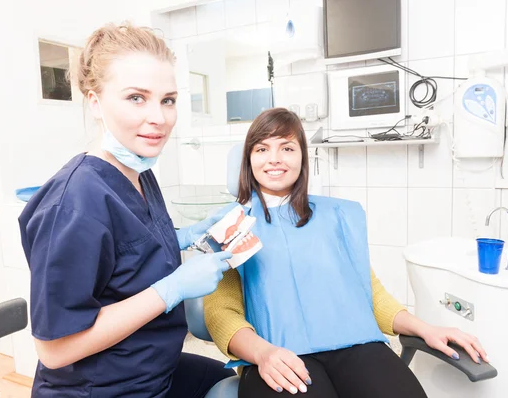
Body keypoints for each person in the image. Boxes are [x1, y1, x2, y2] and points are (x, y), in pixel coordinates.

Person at [203, 108, 490, 397]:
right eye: (262, 148)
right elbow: (221, 313)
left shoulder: (336, 216)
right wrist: (263, 353)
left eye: (287, 147)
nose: (275, 158)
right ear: (249, 159)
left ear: (302, 156)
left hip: (354, 345)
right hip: (276, 352)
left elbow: (370, 294)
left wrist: (425, 328)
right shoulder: (231, 225)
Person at [18, 22, 236, 397]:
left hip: (153, 366)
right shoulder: (75, 201)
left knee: (237, 381)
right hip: (103, 388)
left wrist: (187, 235)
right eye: (137, 97)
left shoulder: (139, 171)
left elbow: (130, 251)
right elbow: (54, 351)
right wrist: (173, 289)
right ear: (95, 101)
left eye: (167, 100)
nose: (159, 117)